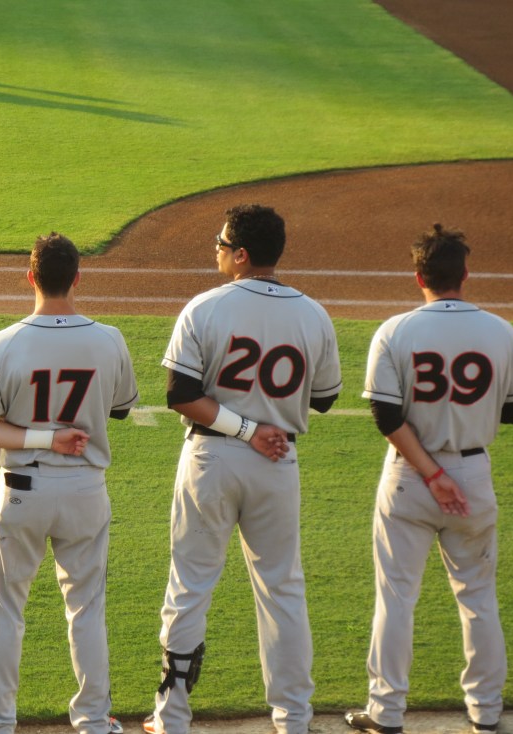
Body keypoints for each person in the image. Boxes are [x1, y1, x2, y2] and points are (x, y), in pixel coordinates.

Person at [144, 204, 342, 734]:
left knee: (190, 585)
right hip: (277, 462)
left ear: (242, 255)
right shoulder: (313, 314)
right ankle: (293, 718)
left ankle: (171, 717)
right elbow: (324, 398)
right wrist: (264, 420)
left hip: (211, 459)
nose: (216, 249)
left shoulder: (205, 307)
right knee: (283, 588)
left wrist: (245, 426)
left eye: (222, 243)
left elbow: (181, 394)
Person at [345, 225, 513, 734]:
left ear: (419, 277)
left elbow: (386, 415)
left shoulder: (395, 331)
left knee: (396, 597)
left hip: (409, 475)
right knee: (478, 597)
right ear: (465, 274)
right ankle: (486, 712)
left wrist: (432, 473)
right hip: (473, 476)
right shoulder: (502, 332)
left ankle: (386, 712)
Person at [0, 232, 139, 734]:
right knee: (86, 609)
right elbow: (120, 409)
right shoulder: (109, 339)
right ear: (77, 278)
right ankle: (94, 721)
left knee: (6, 610)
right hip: (85, 490)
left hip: (21, 491)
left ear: (30, 277)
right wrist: (61, 432)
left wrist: (39, 436)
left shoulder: (4, 343)